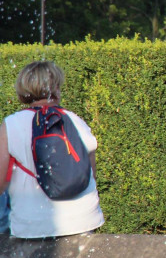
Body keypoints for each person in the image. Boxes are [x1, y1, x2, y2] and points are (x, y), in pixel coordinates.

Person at [0, 61, 104, 239]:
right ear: (55, 88)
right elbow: (89, 174)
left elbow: (1, 181)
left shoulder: (11, 124)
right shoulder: (75, 121)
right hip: (83, 220)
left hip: (31, 224)